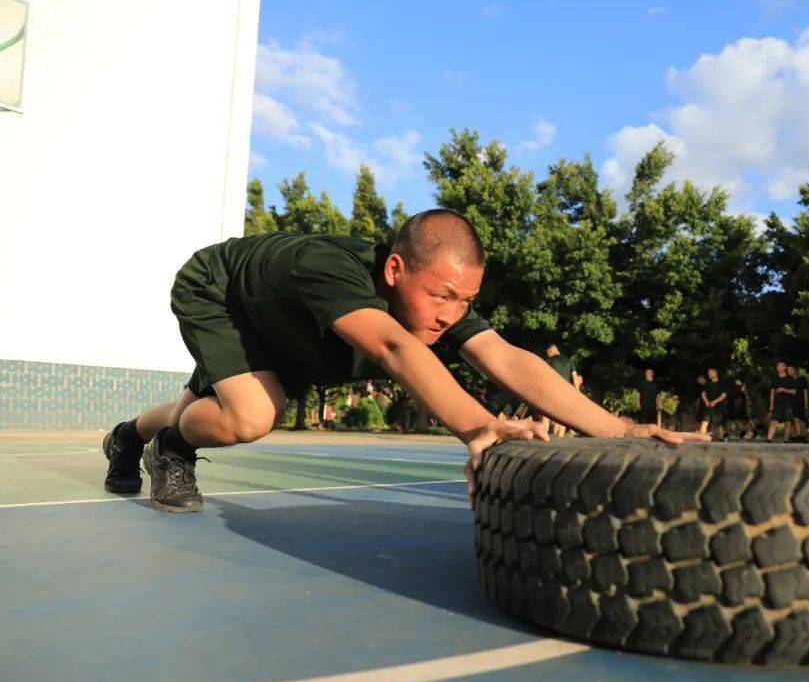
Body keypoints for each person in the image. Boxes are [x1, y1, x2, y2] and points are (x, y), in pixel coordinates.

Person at [100, 209, 708, 512]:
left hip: (286, 325)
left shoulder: (436, 301)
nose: (450, 313)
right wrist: (480, 425)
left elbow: (508, 357)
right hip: (226, 295)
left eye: (464, 301)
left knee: (201, 407)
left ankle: (129, 436)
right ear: (395, 271)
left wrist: (621, 428)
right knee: (251, 415)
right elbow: (395, 348)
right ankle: (173, 449)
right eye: (441, 295)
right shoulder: (330, 270)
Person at [542, 344, 581, 437]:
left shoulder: (549, 360)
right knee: (563, 416)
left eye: (548, 354)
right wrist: (578, 394)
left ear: (550, 351)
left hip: (551, 390)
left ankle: (543, 436)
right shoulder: (569, 360)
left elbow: (544, 375)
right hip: (565, 392)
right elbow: (575, 379)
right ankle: (560, 437)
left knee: (546, 415)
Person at [766, 361, 796, 443]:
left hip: (788, 403)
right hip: (777, 403)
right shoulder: (774, 378)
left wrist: (784, 390)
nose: (779, 367)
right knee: (774, 421)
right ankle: (769, 439)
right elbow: (772, 393)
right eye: (778, 366)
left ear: (785, 367)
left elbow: (794, 392)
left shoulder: (790, 378)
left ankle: (786, 440)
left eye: (781, 366)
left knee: (788, 422)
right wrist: (771, 405)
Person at [787, 365, 809, 443]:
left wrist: (806, 404)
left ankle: (803, 436)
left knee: (800, 419)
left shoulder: (802, 379)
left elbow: (805, 392)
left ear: (795, 370)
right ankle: (795, 436)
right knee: (792, 420)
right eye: (788, 370)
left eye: (791, 370)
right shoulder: (788, 380)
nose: (789, 372)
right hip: (790, 401)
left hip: (800, 401)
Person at [704, 367, 727, 440]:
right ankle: (701, 439)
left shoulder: (721, 383)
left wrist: (715, 401)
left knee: (718, 424)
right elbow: (703, 393)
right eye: (708, 373)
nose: (709, 374)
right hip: (708, 406)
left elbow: (724, 395)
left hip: (718, 407)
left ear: (715, 373)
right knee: (704, 422)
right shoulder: (707, 383)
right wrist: (706, 401)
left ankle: (721, 439)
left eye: (710, 372)